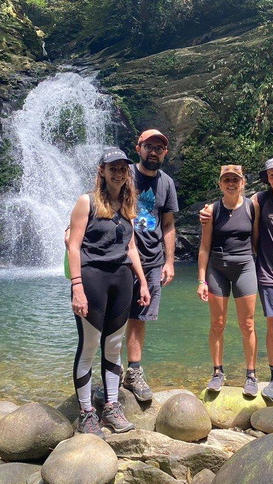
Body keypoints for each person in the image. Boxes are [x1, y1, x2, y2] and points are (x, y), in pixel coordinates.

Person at [199, 156, 273, 400]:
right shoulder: (246, 203)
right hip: (246, 271)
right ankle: (231, 373)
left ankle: (260, 374)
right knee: (234, 323)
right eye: (272, 175)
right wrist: (201, 279)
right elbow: (209, 243)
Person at [67, 147, 151, 438]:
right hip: (92, 280)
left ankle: (112, 407)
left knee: (114, 346)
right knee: (89, 347)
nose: (118, 172)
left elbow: (131, 248)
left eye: (122, 168)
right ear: (101, 170)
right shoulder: (86, 202)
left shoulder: (127, 205)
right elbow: (73, 246)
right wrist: (77, 286)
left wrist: (142, 282)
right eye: (112, 167)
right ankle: (87, 412)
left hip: (122, 280)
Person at [122, 129, 179, 401]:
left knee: (139, 317)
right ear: (138, 148)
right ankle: (110, 371)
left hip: (153, 260)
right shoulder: (123, 174)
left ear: (165, 153)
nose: (153, 151)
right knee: (112, 316)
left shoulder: (166, 183)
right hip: (120, 259)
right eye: (149, 146)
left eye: (159, 147)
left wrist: (169, 261)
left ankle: (133, 371)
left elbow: (167, 224)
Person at [197, 165, 260, 397]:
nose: (231, 183)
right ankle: (217, 372)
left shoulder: (253, 207)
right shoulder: (212, 210)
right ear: (220, 183)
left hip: (244, 266)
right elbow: (204, 247)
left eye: (235, 179)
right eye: (226, 180)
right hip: (217, 268)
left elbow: (255, 240)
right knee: (218, 323)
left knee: (248, 324)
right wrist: (201, 280)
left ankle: (251, 374)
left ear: (243, 182)